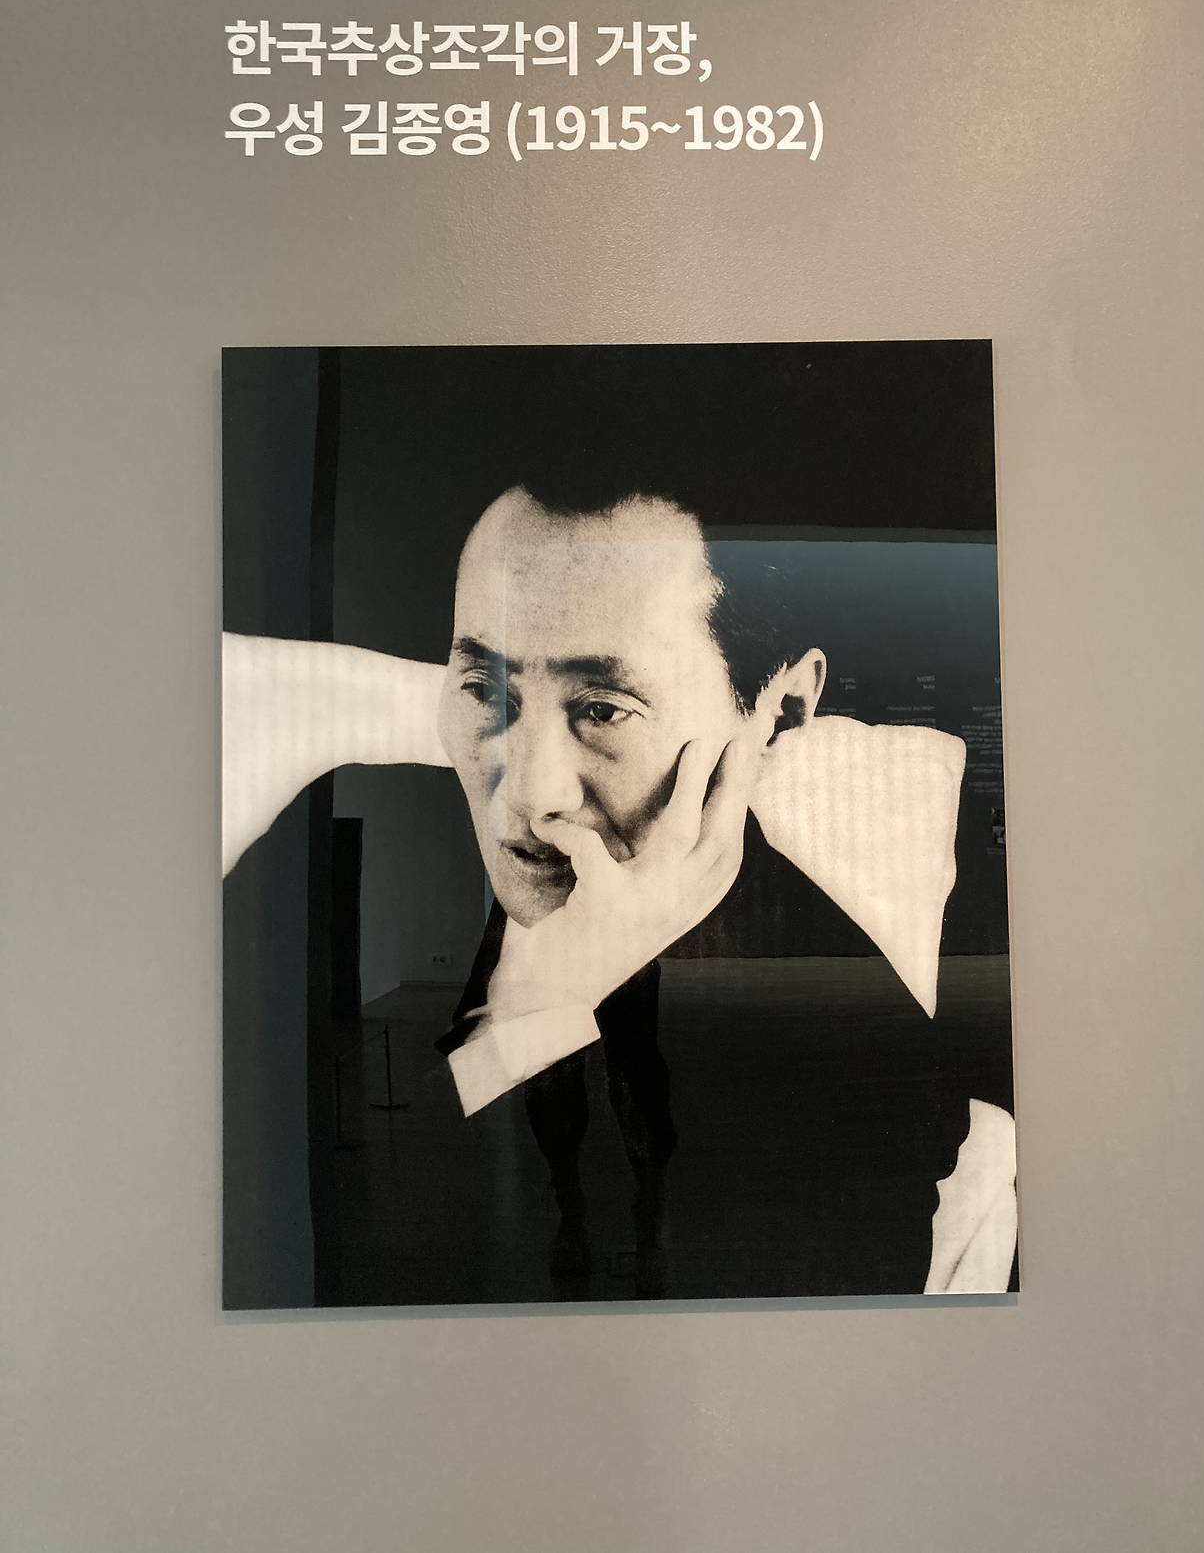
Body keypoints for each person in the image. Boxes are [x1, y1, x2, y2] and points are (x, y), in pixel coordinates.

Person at [223, 483, 1016, 1295]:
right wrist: (543, 1001)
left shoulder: (850, 1035)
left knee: (638, 1085)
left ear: (779, 711)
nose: (529, 795)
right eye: (487, 691)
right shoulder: (249, 879)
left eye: (602, 709)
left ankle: (640, 1216)